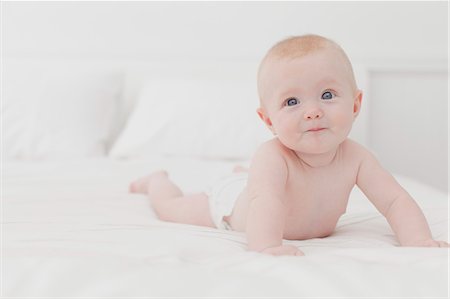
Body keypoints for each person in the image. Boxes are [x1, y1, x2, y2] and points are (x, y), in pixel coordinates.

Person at [129, 34, 449, 256]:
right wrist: (267, 247)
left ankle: (244, 174)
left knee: (258, 182)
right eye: (291, 101)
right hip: (232, 205)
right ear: (268, 120)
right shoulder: (273, 156)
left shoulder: (358, 158)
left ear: (355, 104)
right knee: (173, 209)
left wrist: (418, 239)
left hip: (257, 184)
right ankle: (158, 181)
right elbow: (265, 202)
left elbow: (394, 201)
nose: (312, 111)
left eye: (327, 95)